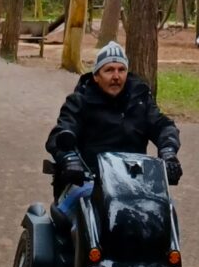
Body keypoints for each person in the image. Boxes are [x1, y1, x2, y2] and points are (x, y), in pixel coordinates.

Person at [46, 40, 182, 189]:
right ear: (96, 76)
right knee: (69, 206)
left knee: (164, 210)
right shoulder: (79, 101)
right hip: (88, 181)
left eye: (121, 69)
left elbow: (163, 125)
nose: (116, 76)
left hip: (134, 182)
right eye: (109, 70)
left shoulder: (140, 101)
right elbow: (60, 132)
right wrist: (69, 158)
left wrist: (168, 152)